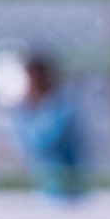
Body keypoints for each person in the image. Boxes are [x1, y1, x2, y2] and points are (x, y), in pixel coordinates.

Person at [12, 55, 84, 200]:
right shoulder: (37, 110)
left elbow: (40, 144)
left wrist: (24, 112)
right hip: (44, 192)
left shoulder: (62, 108)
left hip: (67, 194)